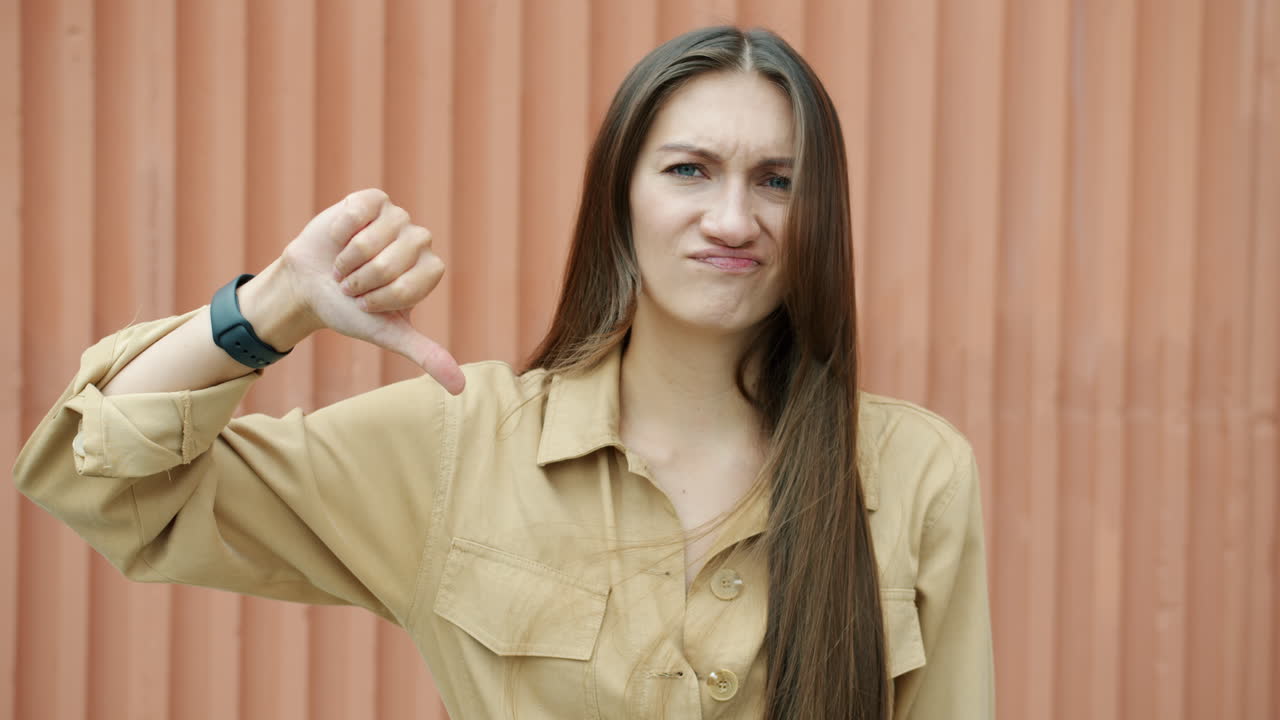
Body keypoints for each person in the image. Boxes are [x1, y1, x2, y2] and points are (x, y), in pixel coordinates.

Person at [14, 26, 994, 720]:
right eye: (689, 170)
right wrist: (273, 307)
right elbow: (100, 479)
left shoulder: (915, 474)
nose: (734, 219)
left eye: (776, 181)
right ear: (619, 201)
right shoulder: (461, 444)